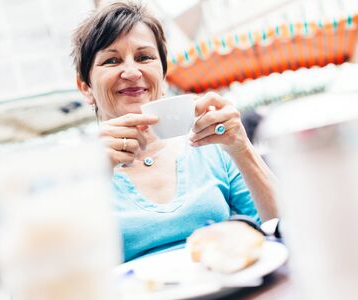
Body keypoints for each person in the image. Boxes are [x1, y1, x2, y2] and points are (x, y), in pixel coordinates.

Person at [71, 1, 277, 261]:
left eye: (144, 57)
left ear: (164, 74)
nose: (132, 72)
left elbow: (284, 228)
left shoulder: (210, 145)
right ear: (85, 87)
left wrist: (242, 148)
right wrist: (90, 178)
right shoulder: (75, 173)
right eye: (111, 61)